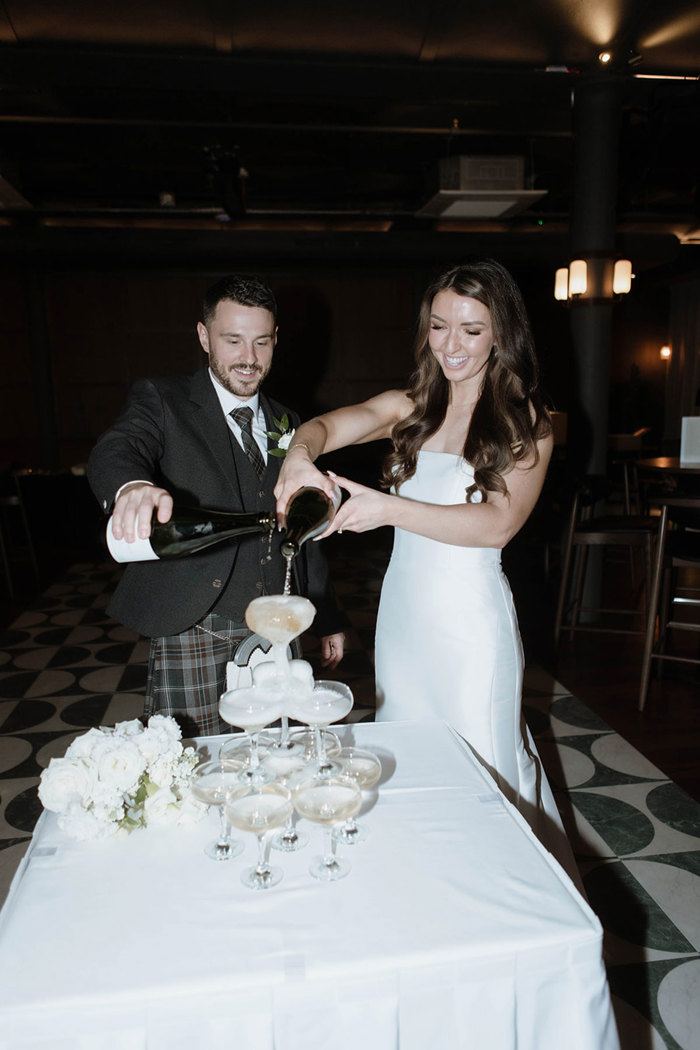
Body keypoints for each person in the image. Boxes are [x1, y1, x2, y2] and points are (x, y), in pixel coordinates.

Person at [274, 259, 575, 873]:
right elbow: (323, 426)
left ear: (502, 333)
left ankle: (512, 898)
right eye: (439, 326)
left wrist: (388, 508)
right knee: (407, 750)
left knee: (484, 761)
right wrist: (300, 459)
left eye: (471, 329)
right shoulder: (409, 406)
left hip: (469, 622)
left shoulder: (527, 422)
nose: (451, 345)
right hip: (404, 612)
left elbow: (497, 524)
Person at [87, 274, 345, 736]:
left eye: (261, 343)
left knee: (276, 753)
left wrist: (327, 614)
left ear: (275, 341)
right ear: (204, 336)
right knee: (193, 761)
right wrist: (130, 487)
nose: (249, 359)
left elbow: (304, 529)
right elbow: (119, 447)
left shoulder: (291, 422)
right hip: (195, 622)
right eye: (233, 341)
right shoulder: (163, 400)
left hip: (279, 622)